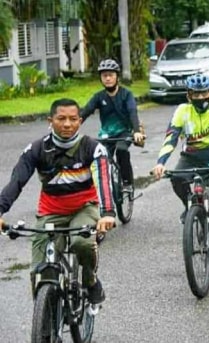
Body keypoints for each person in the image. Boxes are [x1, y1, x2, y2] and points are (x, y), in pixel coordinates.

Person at [0, 98, 116, 304]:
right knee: (39, 271)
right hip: (51, 212)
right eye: (61, 118)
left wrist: (107, 213)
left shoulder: (93, 148)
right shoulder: (36, 149)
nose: (67, 124)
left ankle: (90, 281)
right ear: (50, 120)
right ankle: (45, 322)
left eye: (73, 119)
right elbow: (16, 182)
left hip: (84, 208)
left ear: (80, 121)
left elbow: (104, 181)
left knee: (82, 243)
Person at [152, 74, 209, 261]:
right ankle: (189, 204)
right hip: (192, 158)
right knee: (176, 178)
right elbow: (172, 137)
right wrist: (160, 163)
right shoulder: (182, 111)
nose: (200, 98)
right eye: (196, 94)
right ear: (188, 95)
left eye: (204, 94)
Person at [81, 59, 144, 192]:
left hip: (124, 132)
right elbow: (85, 112)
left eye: (111, 75)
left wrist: (136, 131)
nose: (108, 78)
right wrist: (72, 126)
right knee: (100, 158)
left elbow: (133, 112)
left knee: (122, 150)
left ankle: (127, 183)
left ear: (117, 77)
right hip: (106, 134)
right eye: (104, 76)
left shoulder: (126, 95)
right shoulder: (99, 97)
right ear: (101, 78)